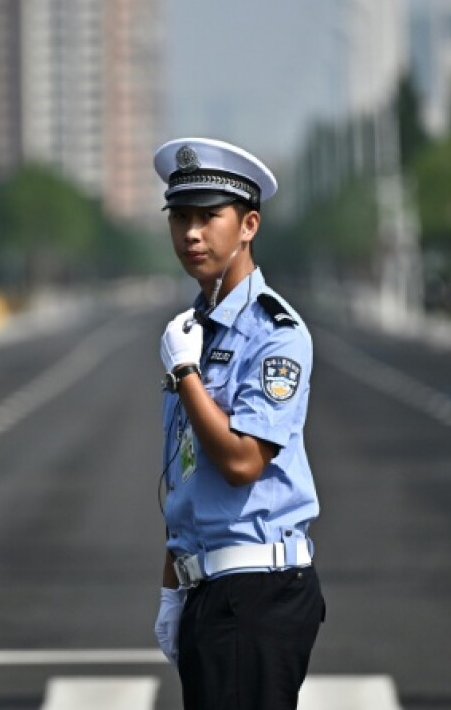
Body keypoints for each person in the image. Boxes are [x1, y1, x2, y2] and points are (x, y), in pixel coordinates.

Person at [152, 137, 324, 710]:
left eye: (208, 217)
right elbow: (186, 477)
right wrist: (172, 589)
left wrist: (185, 374)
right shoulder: (195, 332)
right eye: (180, 217)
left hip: (256, 595)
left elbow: (242, 462)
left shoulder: (275, 333)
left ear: (248, 225)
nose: (192, 233)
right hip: (209, 591)